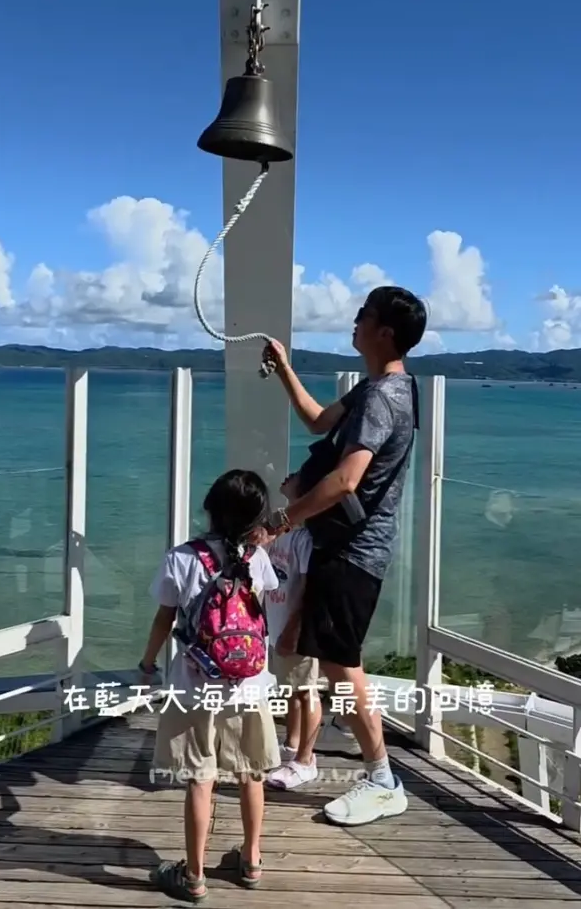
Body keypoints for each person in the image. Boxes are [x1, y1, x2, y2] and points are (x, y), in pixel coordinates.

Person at [259, 285, 426, 827]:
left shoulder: (382, 397)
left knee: (342, 665)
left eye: (363, 316)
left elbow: (346, 479)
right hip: (347, 547)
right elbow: (316, 422)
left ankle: (382, 777)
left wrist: (285, 518)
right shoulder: (378, 388)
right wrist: (285, 369)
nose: (354, 322)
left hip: (354, 550)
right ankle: (377, 774)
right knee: (336, 663)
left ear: (385, 333)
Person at [139, 469, 281, 903]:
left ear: (209, 508)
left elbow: (164, 619)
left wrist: (147, 663)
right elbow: (266, 603)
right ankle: (252, 860)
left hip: (195, 687)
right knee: (250, 773)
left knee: (201, 780)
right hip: (250, 685)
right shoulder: (257, 558)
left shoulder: (182, 558)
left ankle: (194, 876)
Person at [265, 472, 322, 790]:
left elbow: (309, 587)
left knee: (305, 690)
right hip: (278, 625)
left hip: (293, 627)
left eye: (299, 475)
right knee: (292, 690)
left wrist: (293, 628)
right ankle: (292, 746)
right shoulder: (287, 533)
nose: (289, 475)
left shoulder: (306, 538)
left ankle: (305, 759)